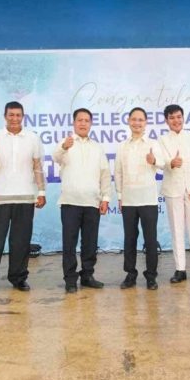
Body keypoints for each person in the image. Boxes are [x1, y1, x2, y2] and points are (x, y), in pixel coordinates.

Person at [0, 101, 46, 295]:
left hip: (25, 197)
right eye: (11, 115)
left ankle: (18, 278)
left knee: (21, 242)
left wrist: (41, 192)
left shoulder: (32, 138)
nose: (14, 118)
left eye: (18, 115)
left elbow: (37, 166)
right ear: (5, 116)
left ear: (22, 116)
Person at [52, 108, 112, 293]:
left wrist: (105, 198)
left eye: (86, 120)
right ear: (74, 123)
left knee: (90, 243)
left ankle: (87, 275)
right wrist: (64, 147)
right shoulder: (66, 143)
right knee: (69, 243)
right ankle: (70, 279)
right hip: (70, 202)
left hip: (92, 203)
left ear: (91, 123)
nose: (83, 123)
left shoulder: (97, 147)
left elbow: (104, 174)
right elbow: (56, 157)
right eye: (80, 120)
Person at [159, 104, 190, 284]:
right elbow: (160, 162)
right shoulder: (162, 140)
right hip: (173, 190)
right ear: (166, 121)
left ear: (183, 117)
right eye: (172, 118)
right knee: (177, 230)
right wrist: (171, 162)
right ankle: (180, 269)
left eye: (179, 117)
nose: (176, 121)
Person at [115, 107, 164, 290]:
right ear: (128, 121)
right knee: (130, 238)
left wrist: (154, 161)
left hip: (148, 199)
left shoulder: (153, 143)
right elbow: (118, 172)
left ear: (145, 123)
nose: (137, 123)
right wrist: (120, 195)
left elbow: (164, 164)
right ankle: (130, 274)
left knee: (150, 239)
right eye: (134, 119)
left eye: (141, 120)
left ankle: (151, 276)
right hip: (128, 199)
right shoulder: (122, 146)